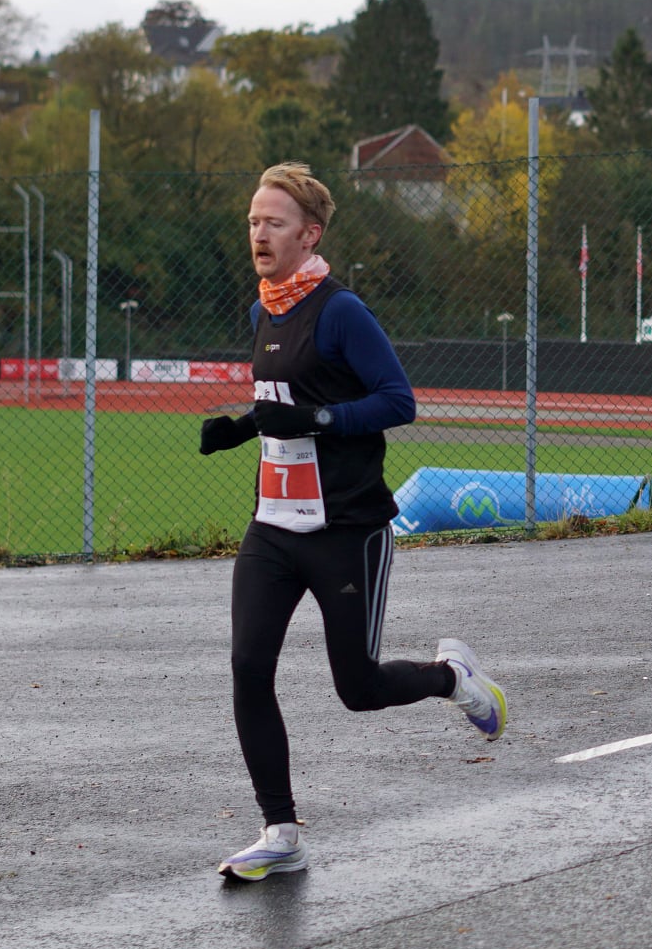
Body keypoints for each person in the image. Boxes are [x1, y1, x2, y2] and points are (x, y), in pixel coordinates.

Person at [199, 162, 506, 882]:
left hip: (347, 530)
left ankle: (452, 677)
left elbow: (397, 401)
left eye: (274, 223)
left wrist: (318, 419)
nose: (259, 234)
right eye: (253, 221)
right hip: (273, 526)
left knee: (358, 688)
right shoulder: (263, 311)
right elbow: (287, 403)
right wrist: (244, 427)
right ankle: (280, 832)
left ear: (309, 235)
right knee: (248, 668)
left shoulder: (340, 311)